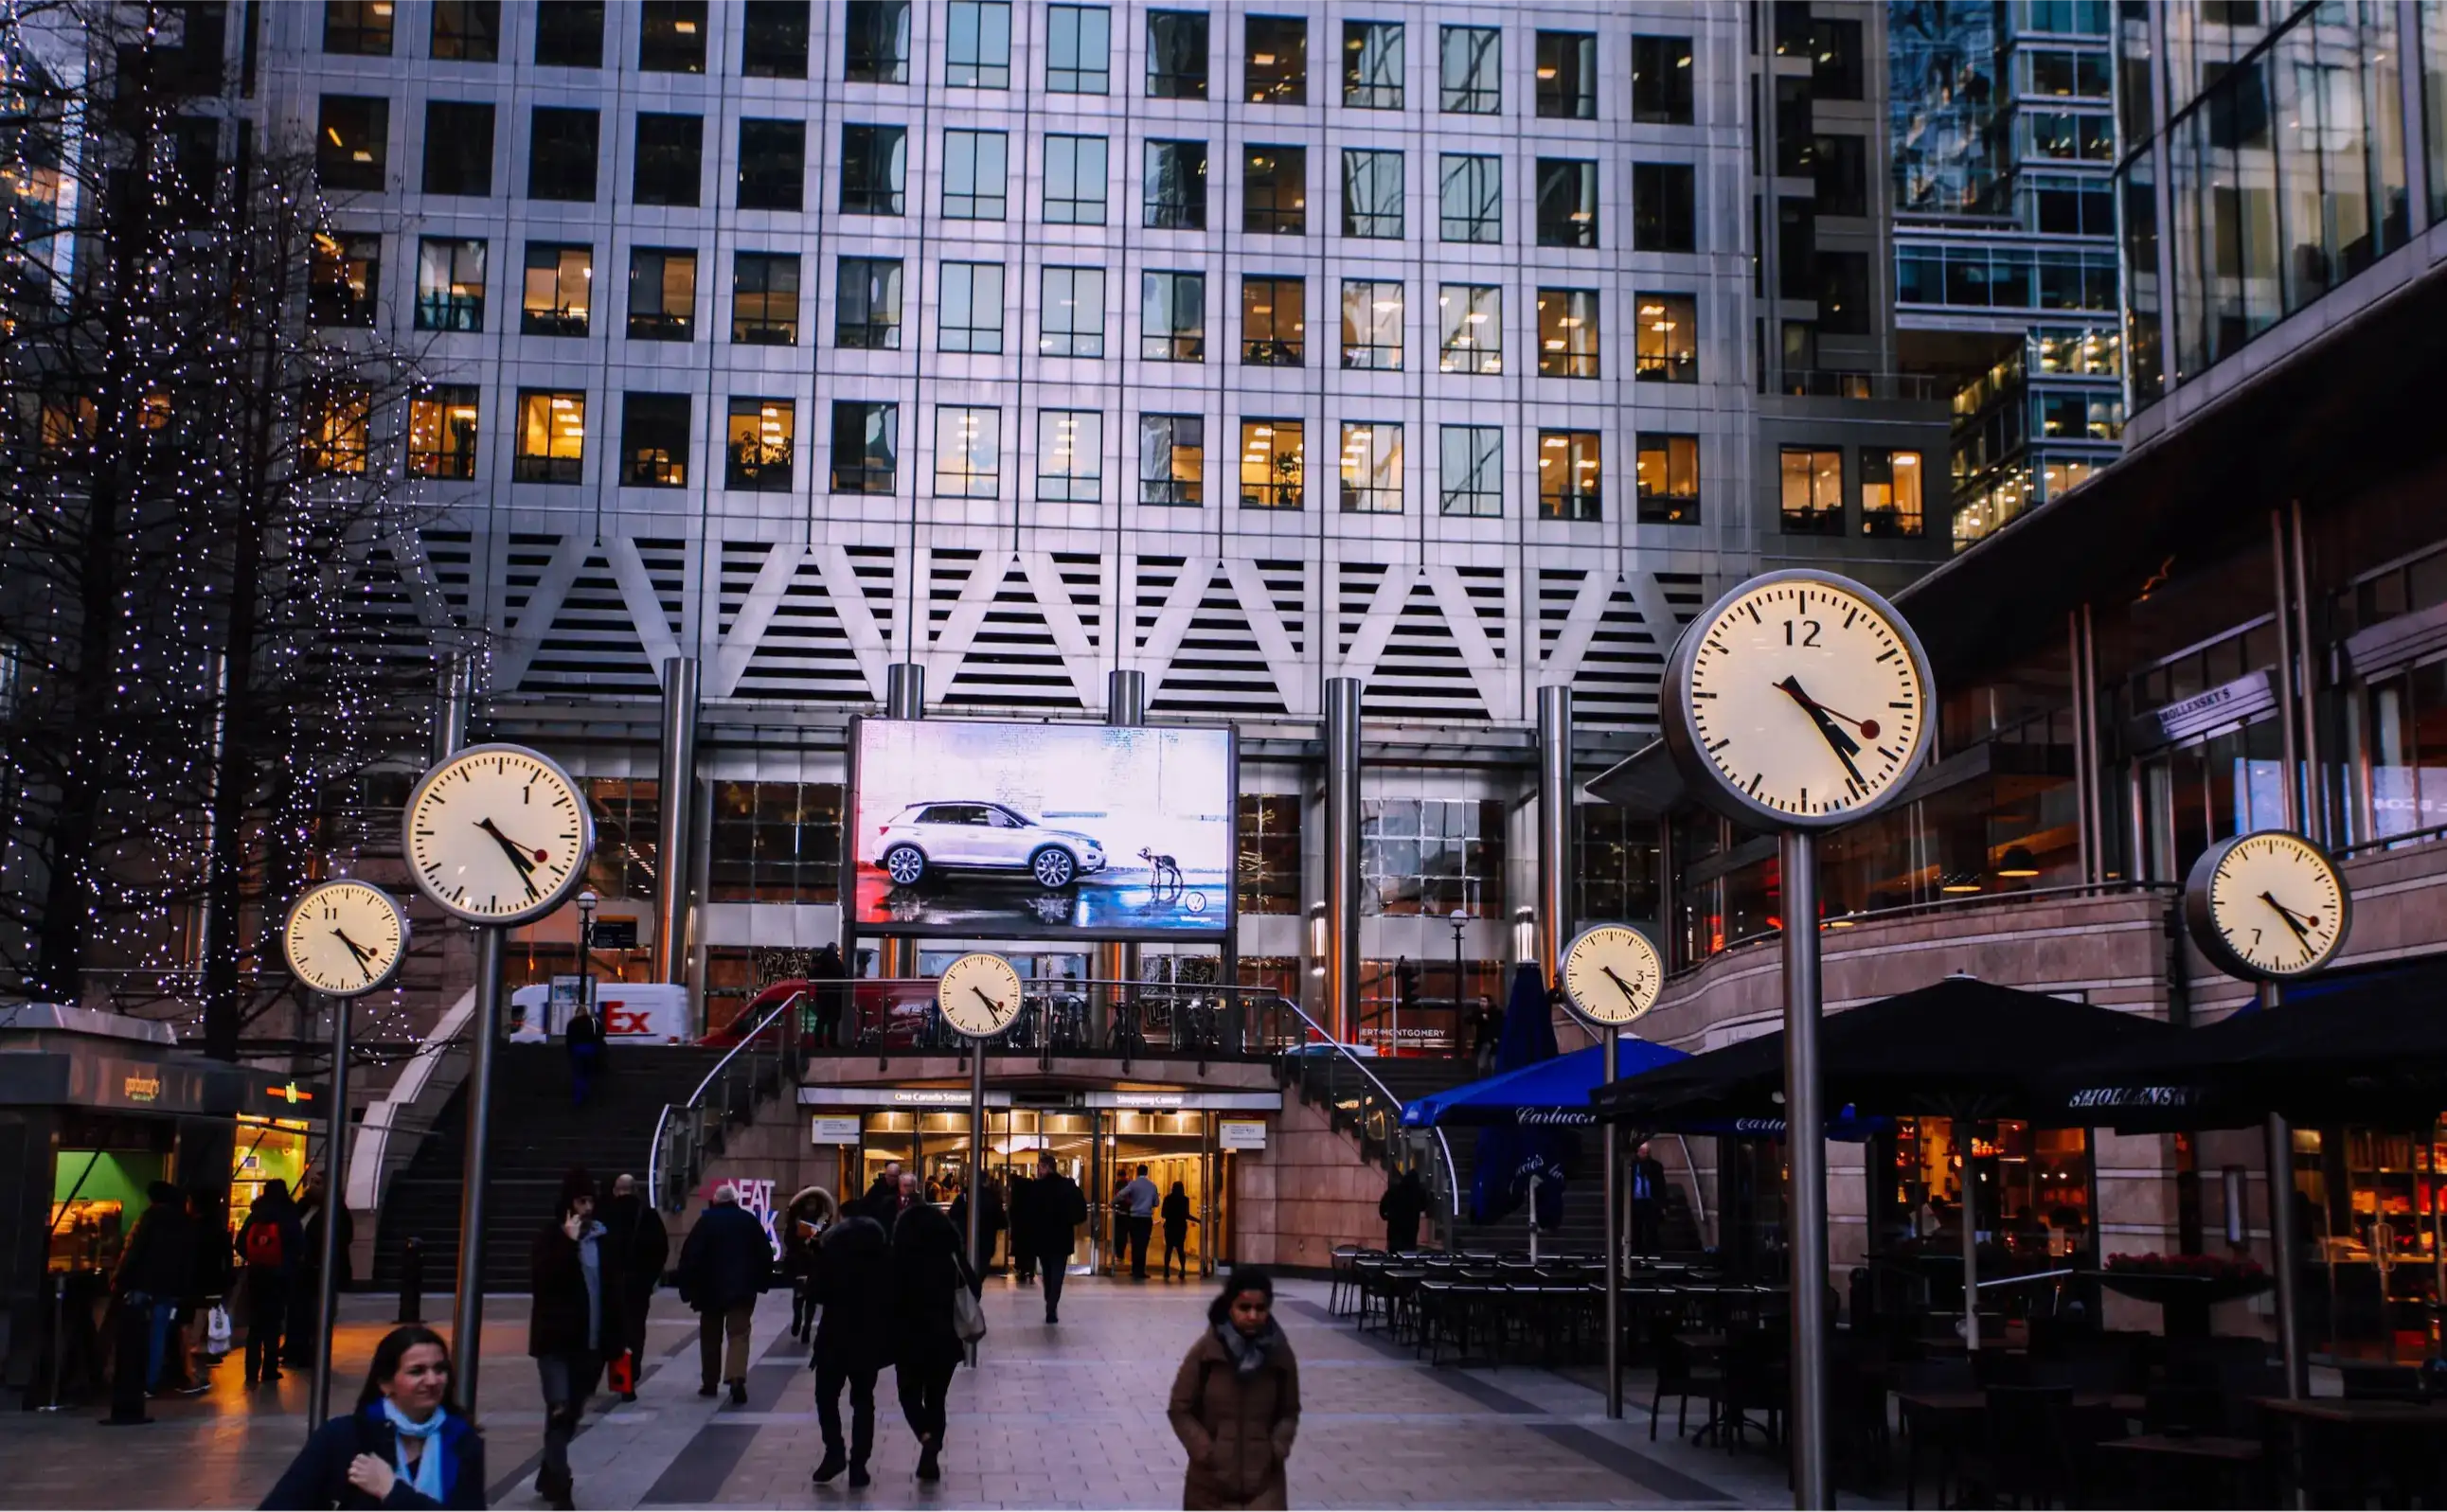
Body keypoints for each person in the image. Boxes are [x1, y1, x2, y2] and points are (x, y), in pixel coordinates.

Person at [256, 1324, 487, 1512]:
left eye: (440, 1369)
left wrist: (392, 1491)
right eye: (417, 1371)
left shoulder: (462, 1441)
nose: (432, 1380)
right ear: (386, 1384)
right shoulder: (343, 1438)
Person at [1168, 1269, 1301, 1512]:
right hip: (1209, 1490)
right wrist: (1206, 1451)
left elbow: (1289, 1411)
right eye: (1244, 1307)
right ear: (1230, 1307)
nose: (1252, 1315)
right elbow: (1179, 1409)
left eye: (1260, 1308)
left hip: (1264, 1489)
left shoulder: (1280, 1355)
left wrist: (1276, 1450)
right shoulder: (1207, 1352)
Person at [527, 1169, 611, 1512]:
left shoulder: (602, 1240)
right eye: (581, 1201)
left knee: (569, 1415)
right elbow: (544, 1281)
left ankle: (548, 1473)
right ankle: (562, 1487)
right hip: (554, 1344)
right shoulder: (551, 1239)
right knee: (560, 1410)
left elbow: (610, 1291)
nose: (586, 1208)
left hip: (588, 1347)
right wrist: (566, 1242)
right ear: (568, 1203)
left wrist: (617, 1339)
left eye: (591, 1200)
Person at [809, 1196, 892, 1489]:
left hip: (835, 1335)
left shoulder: (832, 1247)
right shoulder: (882, 1249)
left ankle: (834, 1452)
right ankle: (859, 1464)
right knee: (863, 1400)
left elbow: (817, 1292)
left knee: (826, 1397)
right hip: (868, 1336)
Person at [889, 1175, 966, 1484]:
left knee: (908, 1394)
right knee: (937, 1398)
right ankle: (929, 1454)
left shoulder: (899, 1261)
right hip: (944, 1339)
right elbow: (971, 1286)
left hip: (909, 1339)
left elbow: (888, 1299)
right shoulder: (949, 1259)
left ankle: (924, 1435)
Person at [675, 1183, 772, 1403]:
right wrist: (762, 1281)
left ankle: (710, 1382)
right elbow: (764, 1253)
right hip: (742, 1290)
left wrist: (687, 1287)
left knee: (710, 1337)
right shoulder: (748, 1221)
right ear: (735, 1201)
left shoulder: (705, 1222)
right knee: (738, 1334)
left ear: (715, 1201)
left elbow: (691, 1255)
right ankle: (736, 1378)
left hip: (709, 1291)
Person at [115, 1180, 192, 1397]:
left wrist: (121, 1277)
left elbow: (135, 1249)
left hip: (143, 1283)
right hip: (169, 1287)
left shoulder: (150, 1218)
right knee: (158, 1332)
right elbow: (188, 1259)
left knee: (135, 1331)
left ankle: (131, 1378)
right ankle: (151, 1381)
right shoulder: (184, 1221)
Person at [598, 1173, 669, 1402]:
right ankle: (630, 1376)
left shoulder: (605, 1214)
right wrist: (649, 1279)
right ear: (636, 1190)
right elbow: (661, 1249)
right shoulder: (647, 1215)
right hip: (638, 1285)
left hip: (609, 1284)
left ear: (616, 1190)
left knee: (610, 1329)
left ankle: (612, 1375)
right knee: (635, 1331)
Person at [285, 1166, 355, 1371]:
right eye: (312, 1182)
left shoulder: (337, 1212)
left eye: (318, 1183)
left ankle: (314, 1353)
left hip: (320, 1272)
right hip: (301, 1273)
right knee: (298, 1313)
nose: (312, 1186)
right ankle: (296, 1351)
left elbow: (342, 1239)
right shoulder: (304, 1207)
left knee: (318, 1314)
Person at [238, 1180, 303, 1386]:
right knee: (274, 1324)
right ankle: (269, 1369)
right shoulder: (289, 1215)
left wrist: (254, 1258)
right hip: (280, 1276)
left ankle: (250, 1370)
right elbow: (299, 1246)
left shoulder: (256, 1213)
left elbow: (239, 1243)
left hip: (257, 1275)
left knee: (255, 1325)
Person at [1019, 1152, 1087, 1324]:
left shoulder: (1037, 1188)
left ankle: (1050, 1301)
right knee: (1058, 1272)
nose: (1039, 1170)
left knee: (1047, 1272)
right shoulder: (1068, 1186)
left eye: (1040, 1167)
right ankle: (1052, 1303)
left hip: (1042, 1237)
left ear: (1046, 1167)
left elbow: (1027, 1213)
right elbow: (1081, 1210)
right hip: (1062, 1236)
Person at [947, 1172, 1005, 1286]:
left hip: (965, 1238)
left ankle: (969, 1289)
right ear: (986, 1181)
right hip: (987, 1240)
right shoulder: (993, 1197)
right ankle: (976, 1290)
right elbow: (1001, 1221)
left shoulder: (964, 1196)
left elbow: (952, 1214)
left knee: (965, 1269)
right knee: (981, 1268)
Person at [1116, 1165, 1160, 1280]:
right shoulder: (1152, 1186)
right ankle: (1140, 1271)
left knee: (1135, 1244)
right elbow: (1156, 1203)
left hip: (1134, 1218)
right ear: (1147, 1172)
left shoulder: (1133, 1184)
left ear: (1137, 1172)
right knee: (1143, 1245)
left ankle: (1134, 1269)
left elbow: (1121, 1194)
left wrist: (1113, 1203)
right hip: (1146, 1219)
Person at [1629, 1142, 1670, 1254]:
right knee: (1635, 1228)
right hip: (1635, 1201)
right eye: (1642, 1151)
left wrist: (1663, 1205)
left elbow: (1661, 1185)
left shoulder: (1655, 1166)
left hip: (1650, 1201)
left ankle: (1652, 1251)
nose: (1644, 1154)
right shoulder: (1630, 1166)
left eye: (1647, 1151)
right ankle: (1635, 1251)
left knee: (1652, 1228)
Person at [1378, 1168, 1429, 1254]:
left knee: (1393, 1254)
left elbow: (1383, 1206)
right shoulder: (1417, 1193)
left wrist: (1386, 1216)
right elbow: (1424, 1206)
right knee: (1409, 1254)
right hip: (1411, 1229)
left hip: (1395, 1228)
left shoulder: (1394, 1190)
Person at [810, 943, 848, 1049]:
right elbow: (842, 975)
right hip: (834, 994)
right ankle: (832, 1041)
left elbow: (813, 976)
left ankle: (818, 1042)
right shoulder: (836, 962)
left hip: (822, 993)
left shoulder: (820, 961)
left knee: (821, 1019)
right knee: (833, 1019)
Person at [564, 1005, 604, 1108]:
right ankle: (587, 1095)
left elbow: (569, 1039)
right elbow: (602, 1033)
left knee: (578, 1073)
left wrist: (569, 1051)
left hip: (577, 1049)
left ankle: (578, 1098)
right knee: (588, 1073)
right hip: (590, 1049)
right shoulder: (593, 1022)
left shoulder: (572, 1023)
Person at [1159, 1182, 1199, 1281]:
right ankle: (1182, 1269)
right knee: (1180, 1249)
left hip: (1170, 1226)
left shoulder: (1167, 1199)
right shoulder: (1185, 1199)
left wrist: (1170, 1216)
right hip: (1180, 1227)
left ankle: (1166, 1270)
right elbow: (1186, 1215)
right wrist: (1198, 1220)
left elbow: (1163, 1214)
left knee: (1168, 1249)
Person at [1008, 1166, 1038, 1285]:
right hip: (1031, 1230)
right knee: (1030, 1250)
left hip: (1020, 1229)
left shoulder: (1017, 1199)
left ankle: (1021, 1269)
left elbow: (1012, 1213)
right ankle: (1030, 1270)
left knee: (1021, 1249)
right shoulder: (1032, 1200)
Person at [1468, 996, 1502, 1073]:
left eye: (1484, 1001)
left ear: (1489, 1003)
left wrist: (1496, 1037)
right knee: (1482, 1063)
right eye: (1481, 1001)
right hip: (1483, 1041)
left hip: (1492, 1041)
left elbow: (1498, 1025)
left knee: (1493, 1061)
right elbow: (1469, 1020)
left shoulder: (1496, 1013)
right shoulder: (1478, 1013)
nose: (1482, 1003)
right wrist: (1480, 1017)